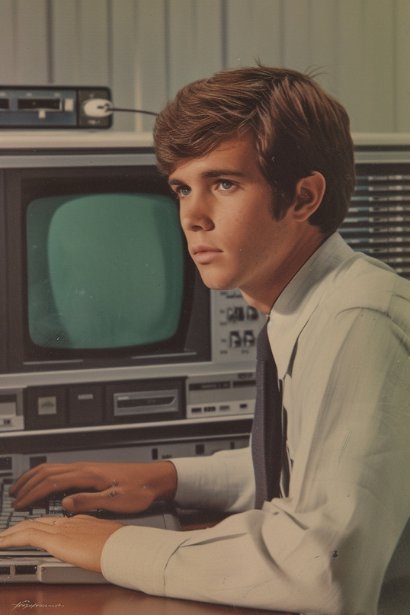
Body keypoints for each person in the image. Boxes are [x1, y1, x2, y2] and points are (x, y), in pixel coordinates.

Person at [1, 66, 409, 615]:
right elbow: (314, 467)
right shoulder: (315, 305)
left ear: (304, 197)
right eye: (181, 188)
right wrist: (166, 477)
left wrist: (112, 545)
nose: (191, 217)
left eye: (224, 184)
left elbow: (321, 568)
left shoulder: (361, 321)